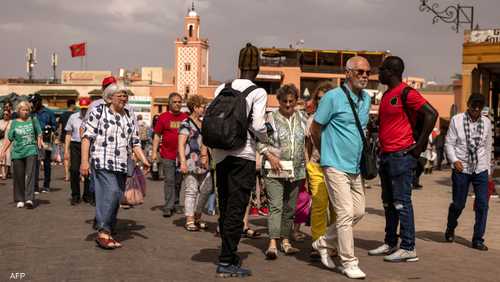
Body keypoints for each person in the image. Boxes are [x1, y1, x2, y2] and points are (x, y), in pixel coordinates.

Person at [369, 56, 437, 262]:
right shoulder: (387, 94)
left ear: (391, 71)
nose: (378, 73)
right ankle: (391, 242)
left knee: (401, 202)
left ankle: (408, 246)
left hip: (401, 156)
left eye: (381, 70)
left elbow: (431, 114)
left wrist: (419, 146)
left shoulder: (407, 93)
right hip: (387, 155)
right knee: (388, 203)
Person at [310, 56, 372, 279]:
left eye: (367, 72)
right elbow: (315, 129)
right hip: (334, 164)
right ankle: (348, 262)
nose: (364, 76)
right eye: (359, 72)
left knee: (358, 211)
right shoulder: (332, 97)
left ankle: (323, 242)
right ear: (347, 73)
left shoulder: (366, 99)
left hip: (355, 167)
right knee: (345, 213)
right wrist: (325, 153)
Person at [212, 43, 267, 277]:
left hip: (220, 154)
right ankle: (227, 261)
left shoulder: (221, 88)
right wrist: (267, 135)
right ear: (257, 67)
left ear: (238, 66)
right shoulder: (258, 92)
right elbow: (257, 126)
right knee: (237, 207)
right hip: (242, 154)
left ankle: (228, 254)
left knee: (225, 206)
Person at [80, 81, 150, 250]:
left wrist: (143, 159)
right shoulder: (98, 111)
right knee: (111, 192)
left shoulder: (128, 116)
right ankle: (103, 232)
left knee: (116, 196)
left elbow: (135, 143)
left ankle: (107, 230)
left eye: (126, 95)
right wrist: (84, 161)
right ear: (110, 97)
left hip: (121, 164)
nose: (124, 98)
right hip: (101, 160)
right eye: (121, 95)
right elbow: (86, 137)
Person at [258, 84, 307, 259]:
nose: (288, 104)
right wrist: (270, 156)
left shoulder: (302, 117)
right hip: (275, 169)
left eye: (291, 101)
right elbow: (260, 142)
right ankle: (272, 243)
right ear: (278, 100)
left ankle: (286, 241)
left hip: (296, 170)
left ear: (296, 101)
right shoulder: (269, 118)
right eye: (284, 101)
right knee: (276, 206)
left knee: (290, 208)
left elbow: (308, 142)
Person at [444, 94, 493, 251]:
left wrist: (489, 169)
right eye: (473, 106)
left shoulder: (486, 123)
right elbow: (449, 143)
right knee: (459, 204)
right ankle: (451, 227)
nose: (476, 109)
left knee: (483, 204)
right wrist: (454, 160)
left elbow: (487, 147)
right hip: (461, 168)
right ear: (468, 104)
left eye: (479, 107)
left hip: (480, 169)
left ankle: (478, 239)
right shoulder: (456, 120)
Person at [305, 80, 336, 259]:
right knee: (318, 206)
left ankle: (332, 243)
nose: (321, 101)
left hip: (336, 168)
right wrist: (307, 165)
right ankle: (317, 244)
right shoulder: (312, 119)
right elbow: (308, 146)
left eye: (325, 99)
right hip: (316, 166)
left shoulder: (338, 118)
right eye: (318, 99)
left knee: (335, 209)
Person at [178, 95, 212, 231]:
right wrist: (182, 162)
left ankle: (197, 216)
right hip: (190, 160)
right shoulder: (185, 123)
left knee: (206, 189)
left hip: (204, 161)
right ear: (195, 107)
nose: (204, 109)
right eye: (202, 106)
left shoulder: (204, 124)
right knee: (191, 190)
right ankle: (190, 219)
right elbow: (181, 144)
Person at [0, 101, 42, 209]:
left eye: (27, 110)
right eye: (23, 110)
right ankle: (20, 199)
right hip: (17, 153)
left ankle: (29, 199)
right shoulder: (14, 122)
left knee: (30, 175)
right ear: (19, 111)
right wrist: (3, 151)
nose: (25, 112)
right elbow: (10, 138)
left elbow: (39, 132)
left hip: (31, 151)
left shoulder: (33, 120)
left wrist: (39, 142)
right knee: (18, 176)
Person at [152, 93, 188, 217]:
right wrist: (154, 152)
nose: (177, 104)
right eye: (175, 102)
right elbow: (157, 136)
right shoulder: (163, 117)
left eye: (179, 102)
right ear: (169, 103)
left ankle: (176, 203)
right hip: (167, 155)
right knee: (169, 180)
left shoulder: (185, 117)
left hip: (181, 156)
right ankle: (168, 206)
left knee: (178, 182)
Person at [64, 97, 93, 206]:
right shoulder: (73, 117)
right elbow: (68, 134)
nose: (84, 110)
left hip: (89, 145)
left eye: (86, 108)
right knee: (74, 170)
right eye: (82, 108)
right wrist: (66, 150)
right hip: (75, 145)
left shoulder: (93, 117)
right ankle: (75, 195)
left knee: (88, 171)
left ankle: (87, 195)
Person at [30, 94, 56, 193]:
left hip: (46, 140)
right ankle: (35, 186)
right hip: (34, 140)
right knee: (34, 163)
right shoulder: (31, 113)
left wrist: (50, 128)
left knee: (46, 163)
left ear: (39, 102)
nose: (33, 104)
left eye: (34, 102)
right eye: (32, 102)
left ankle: (46, 185)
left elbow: (54, 125)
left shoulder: (48, 112)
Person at [59, 99, 76, 181]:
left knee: (66, 157)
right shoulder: (76, 115)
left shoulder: (62, 115)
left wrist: (58, 138)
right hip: (74, 137)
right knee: (75, 157)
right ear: (72, 105)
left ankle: (67, 175)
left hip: (64, 137)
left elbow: (60, 127)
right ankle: (76, 175)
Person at [0, 107, 13, 179]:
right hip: (1, 142)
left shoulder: (12, 122)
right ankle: (3, 173)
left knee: (8, 158)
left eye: (7, 114)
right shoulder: (0, 122)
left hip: (9, 142)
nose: (5, 115)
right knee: (1, 157)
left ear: (9, 115)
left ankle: (7, 171)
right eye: (4, 114)